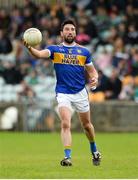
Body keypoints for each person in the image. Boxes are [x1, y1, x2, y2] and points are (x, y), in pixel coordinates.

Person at [23, 19, 101, 166]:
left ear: (75, 32)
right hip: (63, 92)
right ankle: (67, 157)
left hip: (80, 92)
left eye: (72, 29)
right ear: (61, 33)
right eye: (67, 29)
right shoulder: (54, 49)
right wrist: (29, 48)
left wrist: (95, 79)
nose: (70, 31)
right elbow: (39, 54)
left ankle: (94, 150)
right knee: (65, 123)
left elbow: (93, 72)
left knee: (87, 126)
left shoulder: (84, 52)